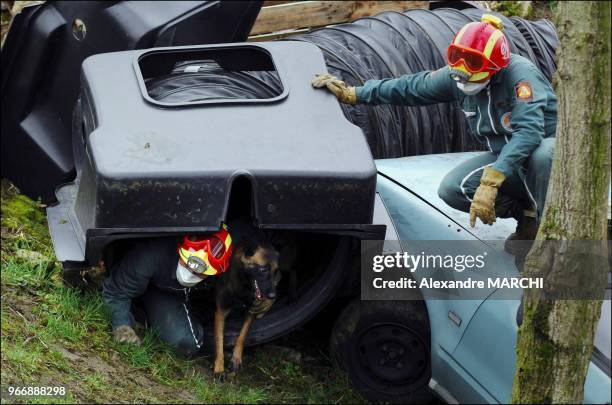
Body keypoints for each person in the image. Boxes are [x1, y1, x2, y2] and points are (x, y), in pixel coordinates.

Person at [312, 14, 557, 249]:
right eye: (457, 58)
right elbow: (411, 87)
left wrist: (493, 180)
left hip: (554, 158)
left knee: (543, 154)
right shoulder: (459, 77)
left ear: (495, 67)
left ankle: (551, 238)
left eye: (472, 65)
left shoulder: (520, 77)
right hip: (508, 158)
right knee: (453, 189)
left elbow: (530, 133)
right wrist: (354, 94)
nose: (463, 74)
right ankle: (526, 216)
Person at [102, 225, 233, 356]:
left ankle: (146, 314)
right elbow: (117, 291)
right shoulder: (152, 253)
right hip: (146, 278)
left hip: (169, 295)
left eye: (200, 273)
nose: (190, 274)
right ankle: (139, 309)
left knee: (187, 343)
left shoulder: (216, 277)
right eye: (187, 264)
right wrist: (122, 327)